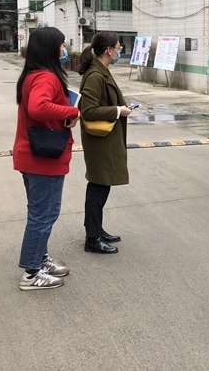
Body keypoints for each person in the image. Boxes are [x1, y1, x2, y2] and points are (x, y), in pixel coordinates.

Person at [14, 27, 81, 290]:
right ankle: (31, 274)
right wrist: (72, 112)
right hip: (44, 157)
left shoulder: (33, 74)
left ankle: (39, 259)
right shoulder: (46, 77)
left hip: (33, 153)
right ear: (51, 48)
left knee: (40, 213)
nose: (64, 50)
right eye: (62, 45)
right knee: (43, 215)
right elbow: (38, 107)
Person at [79, 31, 132, 253]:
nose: (120, 51)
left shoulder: (102, 70)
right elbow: (88, 110)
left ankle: (96, 229)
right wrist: (118, 110)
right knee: (98, 187)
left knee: (102, 186)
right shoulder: (95, 75)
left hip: (106, 139)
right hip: (100, 141)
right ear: (108, 50)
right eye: (118, 47)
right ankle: (92, 238)